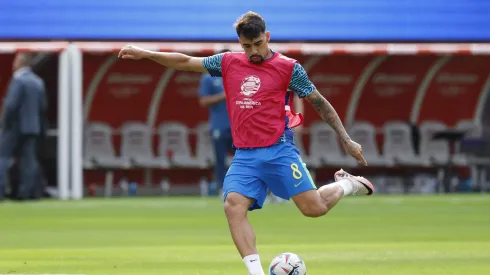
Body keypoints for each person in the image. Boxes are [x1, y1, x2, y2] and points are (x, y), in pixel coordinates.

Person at [118, 11, 373, 275]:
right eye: (246, 46)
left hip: (279, 150)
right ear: (239, 42)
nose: (253, 51)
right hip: (245, 156)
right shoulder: (228, 62)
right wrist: (147, 53)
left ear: (268, 37)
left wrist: (346, 139)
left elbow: (318, 102)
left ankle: (345, 183)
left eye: (258, 44)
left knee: (314, 209)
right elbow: (184, 61)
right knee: (233, 205)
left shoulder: (289, 68)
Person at [0, 53, 47, 201]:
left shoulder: (18, 80)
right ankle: (27, 192)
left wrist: (4, 124)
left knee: (3, 157)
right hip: (32, 127)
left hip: (14, 127)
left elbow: (11, 105)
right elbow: (42, 108)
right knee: (29, 160)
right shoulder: (38, 82)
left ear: (20, 63)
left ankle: (0, 190)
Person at [198, 50, 233, 197]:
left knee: (246, 159)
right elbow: (203, 101)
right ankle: (222, 188)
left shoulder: (239, 77)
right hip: (219, 125)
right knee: (220, 159)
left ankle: (246, 189)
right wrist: (223, 96)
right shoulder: (209, 77)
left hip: (239, 127)